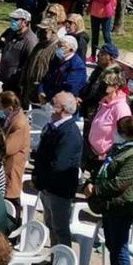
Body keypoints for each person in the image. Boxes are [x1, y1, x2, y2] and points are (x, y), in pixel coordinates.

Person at [85, 115, 133, 265]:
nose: (115, 133)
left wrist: (95, 190)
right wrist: (91, 182)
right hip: (109, 204)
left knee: (119, 248)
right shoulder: (118, 148)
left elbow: (120, 183)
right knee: (112, 245)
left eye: (120, 131)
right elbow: (104, 168)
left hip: (123, 206)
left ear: (130, 135)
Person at [33, 91, 82, 248]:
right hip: (47, 187)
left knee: (60, 229)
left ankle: (63, 263)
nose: (50, 106)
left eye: (53, 103)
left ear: (62, 109)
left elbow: (59, 164)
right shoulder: (53, 127)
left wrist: (42, 179)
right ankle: (54, 260)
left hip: (59, 190)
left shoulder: (70, 133)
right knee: (50, 225)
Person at [85, 68, 132, 170]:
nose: (102, 87)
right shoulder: (104, 102)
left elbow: (124, 136)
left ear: (115, 86)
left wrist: (109, 154)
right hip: (91, 151)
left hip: (104, 158)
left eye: (105, 84)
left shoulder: (121, 108)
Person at [0, 91, 30, 213]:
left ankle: (14, 222)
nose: (1, 110)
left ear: (10, 108)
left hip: (13, 163)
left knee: (11, 194)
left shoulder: (18, 123)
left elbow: (8, 148)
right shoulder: (13, 118)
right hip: (9, 162)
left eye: (2, 107)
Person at [19, 19, 61, 108]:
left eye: (44, 30)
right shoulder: (39, 45)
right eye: (40, 30)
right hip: (29, 88)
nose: (41, 33)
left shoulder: (57, 49)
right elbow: (28, 63)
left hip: (42, 91)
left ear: (53, 31)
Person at [0, 9, 37, 95]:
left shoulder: (30, 40)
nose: (12, 22)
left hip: (16, 83)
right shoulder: (11, 33)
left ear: (25, 22)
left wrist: (20, 79)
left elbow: (29, 63)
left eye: (16, 20)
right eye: (12, 19)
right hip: (5, 78)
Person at [37, 35, 88, 102]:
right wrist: (41, 91)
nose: (58, 49)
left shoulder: (77, 67)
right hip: (48, 99)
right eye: (58, 46)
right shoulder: (57, 59)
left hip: (62, 102)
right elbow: (46, 77)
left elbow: (69, 89)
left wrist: (48, 97)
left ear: (71, 50)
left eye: (62, 47)